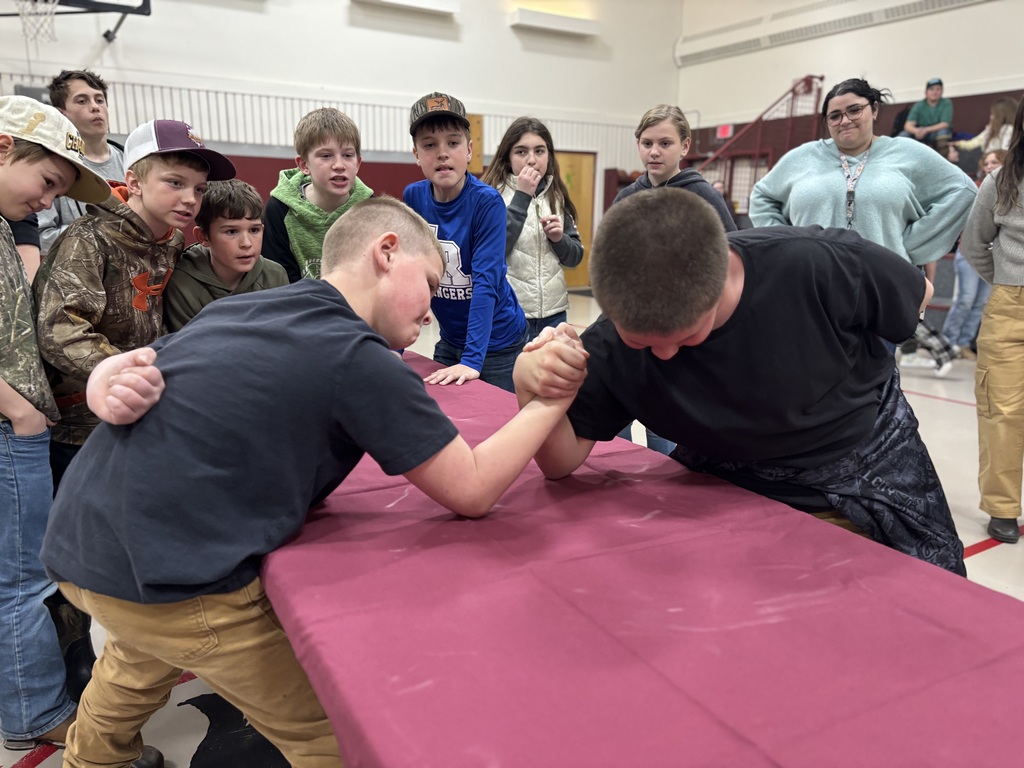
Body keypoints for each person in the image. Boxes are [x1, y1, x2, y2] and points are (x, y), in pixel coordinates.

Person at [38, 196, 587, 767]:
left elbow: (146, 370)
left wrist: (104, 378)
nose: (430, 314)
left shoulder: (247, 307)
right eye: (429, 283)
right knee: (328, 736)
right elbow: (471, 488)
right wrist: (548, 403)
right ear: (387, 252)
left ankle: (91, 760)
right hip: (176, 573)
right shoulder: (357, 354)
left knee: (135, 661)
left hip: (83, 540)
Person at [515, 188, 966, 576]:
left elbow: (918, 295)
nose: (665, 355)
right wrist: (530, 384)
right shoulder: (613, 339)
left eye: (687, 337)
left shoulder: (816, 262)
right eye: (642, 343)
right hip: (728, 486)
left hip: (863, 464)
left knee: (931, 603)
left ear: (723, 280)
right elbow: (560, 463)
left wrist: (845, 372)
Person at [35, 118, 236, 484]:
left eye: (199, 189)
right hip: (85, 425)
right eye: (174, 183)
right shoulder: (89, 239)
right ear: (134, 182)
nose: (190, 199)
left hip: (147, 413)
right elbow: (60, 330)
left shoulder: (173, 241)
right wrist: (132, 376)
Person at [0, 94, 108, 752]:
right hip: (12, 429)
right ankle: (35, 712)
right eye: (45, 182)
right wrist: (18, 409)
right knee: (23, 578)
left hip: (20, 425)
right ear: (5, 148)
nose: (46, 201)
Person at [750, 77, 977, 375]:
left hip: (880, 294)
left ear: (874, 109)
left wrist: (909, 247)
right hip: (811, 292)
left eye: (854, 110)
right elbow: (762, 196)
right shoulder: (803, 157)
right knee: (809, 381)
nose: (845, 120)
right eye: (834, 115)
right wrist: (785, 246)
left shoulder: (906, 153)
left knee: (872, 387)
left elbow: (963, 190)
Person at [403, 92, 527, 391]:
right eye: (430, 145)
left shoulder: (486, 202)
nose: (442, 153)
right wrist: (395, 347)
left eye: (453, 143)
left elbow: (486, 282)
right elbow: (407, 274)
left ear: (469, 150)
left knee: (499, 417)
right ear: (416, 154)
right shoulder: (413, 197)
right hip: (451, 338)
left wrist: (472, 360)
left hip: (498, 343)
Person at [960, 96, 1024, 545]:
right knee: (1001, 410)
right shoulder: (1000, 182)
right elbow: (973, 244)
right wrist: (1005, 282)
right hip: (1010, 307)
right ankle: (1002, 508)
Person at [480, 117, 584, 338]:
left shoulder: (557, 196)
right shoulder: (491, 195)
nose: (532, 160)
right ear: (507, 157)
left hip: (554, 314)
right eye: (521, 152)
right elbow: (493, 253)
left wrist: (560, 240)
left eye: (539, 151)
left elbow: (575, 258)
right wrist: (522, 196)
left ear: (549, 155)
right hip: (509, 313)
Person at [263, 107, 373, 282]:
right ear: (304, 165)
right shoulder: (279, 209)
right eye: (326, 156)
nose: (339, 165)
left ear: (358, 163)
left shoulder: (371, 209)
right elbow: (281, 281)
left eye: (347, 155)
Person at [163, 179, 288, 332]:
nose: (246, 243)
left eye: (254, 230)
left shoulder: (275, 275)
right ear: (203, 236)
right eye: (232, 231)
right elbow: (191, 343)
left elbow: (280, 335)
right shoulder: (182, 283)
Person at [38, 69, 124, 255]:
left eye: (99, 100)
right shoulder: (51, 168)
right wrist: (104, 234)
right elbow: (42, 238)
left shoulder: (131, 163)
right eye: (82, 101)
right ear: (61, 114)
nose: (95, 107)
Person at [613, 104, 736, 232]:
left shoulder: (705, 196)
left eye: (665, 143)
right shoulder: (626, 198)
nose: (654, 152)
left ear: (685, 147)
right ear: (638, 145)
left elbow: (730, 243)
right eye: (647, 143)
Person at [941, 149, 1005, 358]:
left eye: (995, 162)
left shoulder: (1010, 191)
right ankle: (948, 341)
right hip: (969, 252)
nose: (989, 166)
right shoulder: (977, 188)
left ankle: (964, 343)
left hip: (994, 255)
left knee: (980, 303)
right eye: (987, 163)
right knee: (965, 299)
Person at [947, 96, 1016, 165]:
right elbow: (974, 143)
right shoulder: (989, 130)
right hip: (988, 164)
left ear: (1002, 115)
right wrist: (957, 144)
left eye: (993, 114)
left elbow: (1005, 151)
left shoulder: (1009, 130)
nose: (991, 117)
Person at [900, 77, 954, 155]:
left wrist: (927, 130)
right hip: (920, 133)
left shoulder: (946, 103)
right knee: (903, 135)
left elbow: (945, 124)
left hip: (935, 132)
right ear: (926, 92)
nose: (935, 92)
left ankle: (943, 157)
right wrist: (917, 131)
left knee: (943, 132)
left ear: (942, 91)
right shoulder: (919, 105)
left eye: (938, 89)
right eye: (931, 89)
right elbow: (907, 125)